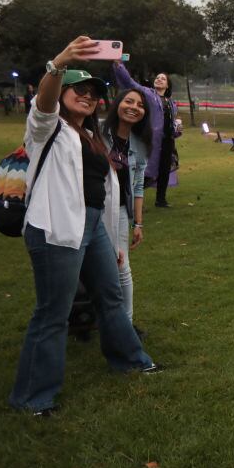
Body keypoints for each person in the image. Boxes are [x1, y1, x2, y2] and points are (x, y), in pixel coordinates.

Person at [9, 36, 161, 418]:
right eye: (79, 90)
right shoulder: (48, 129)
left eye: (94, 93)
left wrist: (111, 239)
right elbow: (43, 103)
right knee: (53, 312)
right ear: (62, 93)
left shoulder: (91, 137)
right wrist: (58, 63)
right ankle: (33, 398)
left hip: (93, 229)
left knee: (110, 296)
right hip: (56, 228)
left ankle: (130, 360)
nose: (88, 97)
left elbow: (104, 194)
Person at [101, 87, 151, 334]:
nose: (133, 107)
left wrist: (138, 224)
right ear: (117, 104)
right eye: (128, 101)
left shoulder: (139, 145)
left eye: (140, 105)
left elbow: (138, 185)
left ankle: (126, 327)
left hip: (119, 211)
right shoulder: (96, 132)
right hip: (88, 209)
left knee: (122, 267)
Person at [111, 63, 182, 207]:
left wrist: (177, 128)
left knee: (164, 170)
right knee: (144, 170)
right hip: (151, 141)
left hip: (168, 141)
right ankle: (129, 197)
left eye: (163, 79)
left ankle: (160, 200)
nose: (159, 79)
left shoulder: (171, 103)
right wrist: (118, 65)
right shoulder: (147, 94)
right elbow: (129, 82)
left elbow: (171, 122)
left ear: (167, 85)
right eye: (157, 78)